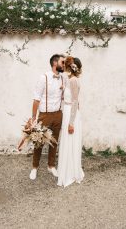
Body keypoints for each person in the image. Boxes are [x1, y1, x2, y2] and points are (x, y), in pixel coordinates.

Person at [29, 54, 65, 180]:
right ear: (55, 63)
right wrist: (34, 118)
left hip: (58, 114)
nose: (64, 64)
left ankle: (51, 165)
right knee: (39, 141)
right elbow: (36, 98)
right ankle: (34, 167)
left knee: (54, 142)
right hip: (44, 115)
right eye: (62, 62)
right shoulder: (43, 77)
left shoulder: (62, 79)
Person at [57, 56, 85, 187]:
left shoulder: (74, 81)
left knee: (70, 141)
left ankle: (70, 172)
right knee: (68, 142)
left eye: (66, 65)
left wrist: (71, 123)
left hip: (71, 114)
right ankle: (67, 169)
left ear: (70, 67)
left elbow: (74, 102)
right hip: (67, 111)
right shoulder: (70, 79)